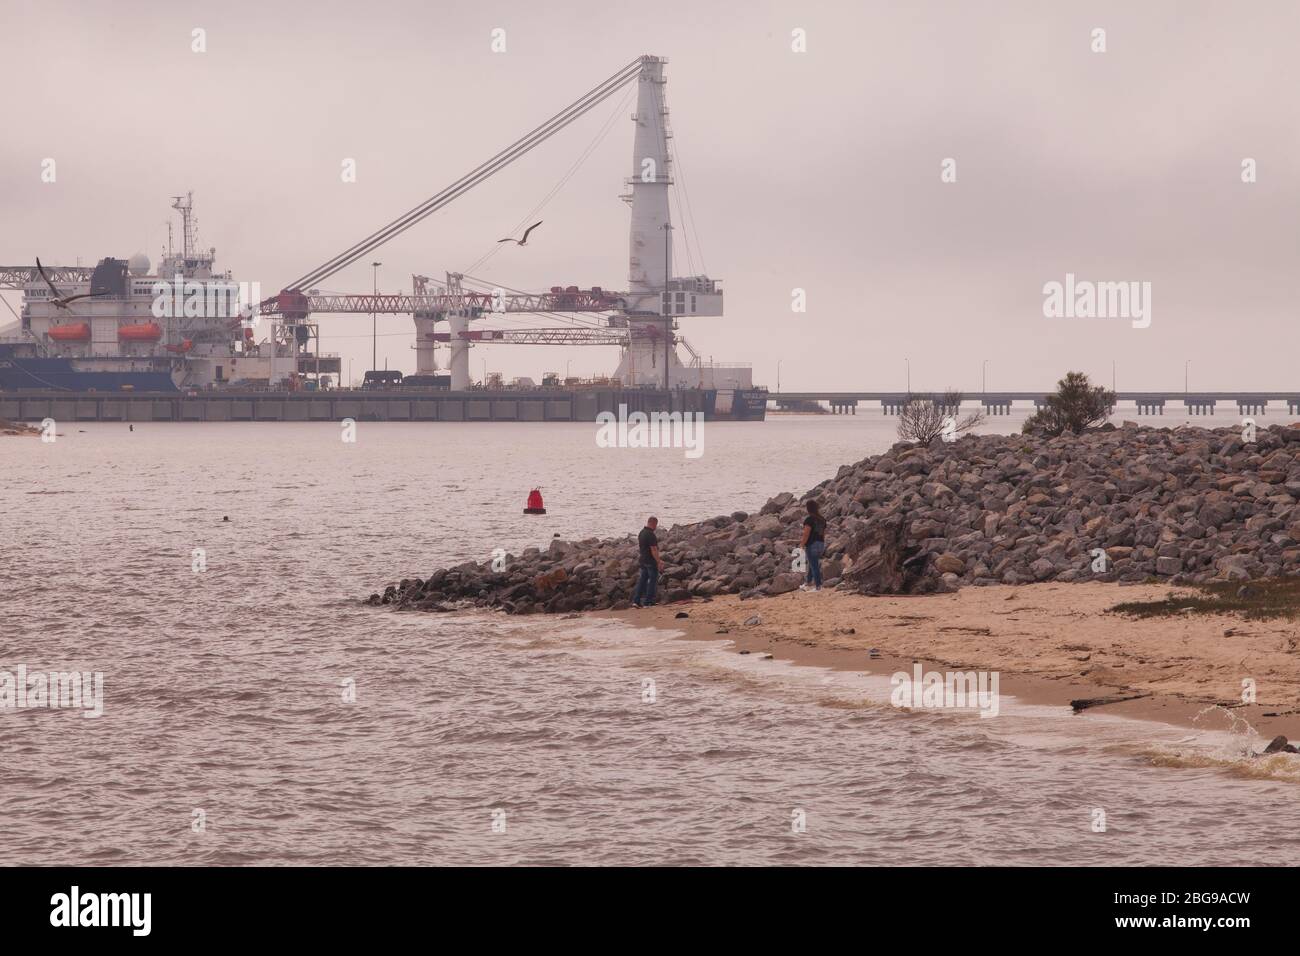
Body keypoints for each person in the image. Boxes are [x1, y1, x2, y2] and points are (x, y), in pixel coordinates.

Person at [632, 516, 664, 608]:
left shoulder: (641, 533)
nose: (655, 527)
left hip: (643, 560)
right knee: (652, 581)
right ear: (653, 523)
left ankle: (636, 601)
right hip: (650, 561)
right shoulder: (650, 534)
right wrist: (659, 561)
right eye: (656, 525)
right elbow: (653, 549)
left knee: (642, 581)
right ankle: (648, 601)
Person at [799, 500, 827, 592]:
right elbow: (823, 534)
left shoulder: (809, 520)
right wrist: (822, 544)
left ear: (808, 508)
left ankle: (818, 587)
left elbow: (806, 534)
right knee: (812, 564)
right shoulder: (822, 519)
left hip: (812, 544)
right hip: (821, 543)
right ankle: (808, 582)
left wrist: (802, 545)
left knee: (814, 566)